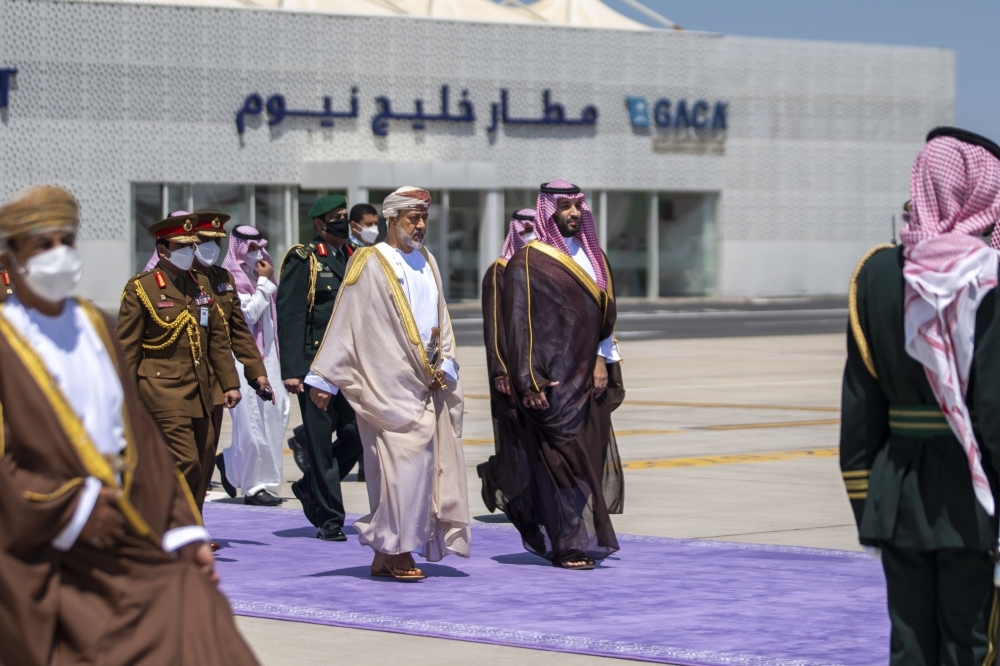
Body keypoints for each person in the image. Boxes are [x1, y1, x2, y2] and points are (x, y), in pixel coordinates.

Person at [0, 185, 258, 665]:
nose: (58, 254)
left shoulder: (93, 325)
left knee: (207, 632)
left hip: (123, 526)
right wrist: (75, 509)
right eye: (42, 245)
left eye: (65, 241)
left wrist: (183, 530)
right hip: (39, 536)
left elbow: (139, 435)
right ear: (11, 261)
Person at [841, 127, 1000, 665]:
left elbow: (860, 405)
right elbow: (993, 410)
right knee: (971, 644)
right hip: (973, 495)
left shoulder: (875, 275)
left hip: (895, 491)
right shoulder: (989, 276)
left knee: (909, 644)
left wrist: (869, 502)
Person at [308, 185, 470, 580]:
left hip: (428, 382)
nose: (420, 225)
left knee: (418, 470)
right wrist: (324, 379)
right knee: (401, 469)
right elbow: (346, 319)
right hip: (387, 384)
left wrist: (448, 360)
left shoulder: (428, 260)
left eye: (424, 218)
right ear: (392, 219)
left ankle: (386, 551)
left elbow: (441, 315)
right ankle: (400, 551)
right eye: (413, 218)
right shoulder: (370, 260)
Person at [501, 180, 624, 570]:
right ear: (548, 210)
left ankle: (549, 520)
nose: (574, 213)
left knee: (588, 460)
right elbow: (517, 325)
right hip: (552, 380)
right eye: (565, 206)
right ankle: (567, 544)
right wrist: (528, 380)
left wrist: (603, 361)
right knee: (561, 463)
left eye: (577, 206)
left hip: (590, 378)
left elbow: (605, 317)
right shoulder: (528, 261)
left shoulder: (595, 257)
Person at [117, 212, 243, 511]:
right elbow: (126, 349)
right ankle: (159, 519)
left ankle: (186, 523)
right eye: (182, 247)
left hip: (200, 389)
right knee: (185, 460)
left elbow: (217, 339)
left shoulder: (200, 285)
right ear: (163, 251)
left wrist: (230, 383)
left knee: (203, 459)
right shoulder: (142, 288)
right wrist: (124, 400)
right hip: (161, 389)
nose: (190, 252)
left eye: (191, 245)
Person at [277, 194, 363, 541]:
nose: (343, 222)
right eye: (336, 217)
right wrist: (292, 370)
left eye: (345, 215)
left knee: (356, 435)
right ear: (318, 224)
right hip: (316, 368)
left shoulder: (354, 256)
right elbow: (291, 315)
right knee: (321, 444)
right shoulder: (305, 259)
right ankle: (330, 518)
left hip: (351, 366)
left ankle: (311, 485)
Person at [185, 212, 275, 506]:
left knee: (204, 452)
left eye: (216, 242)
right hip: (176, 382)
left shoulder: (222, 280)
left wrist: (256, 371)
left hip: (216, 379)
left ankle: (194, 519)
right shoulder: (173, 281)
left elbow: (237, 330)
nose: (211, 248)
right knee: (182, 456)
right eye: (205, 241)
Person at [216, 226, 291, 506]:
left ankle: (232, 463)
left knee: (276, 415)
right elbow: (248, 314)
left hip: (269, 357)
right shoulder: (230, 279)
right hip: (242, 359)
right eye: (251, 249)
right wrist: (263, 283)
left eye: (260, 247)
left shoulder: (261, 277)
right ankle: (254, 486)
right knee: (250, 424)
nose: (258, 253)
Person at [477, 209, 536, 516]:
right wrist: (500, 369)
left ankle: (521, 489)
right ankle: (504, 482)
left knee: (532, 436)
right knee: (515, 435)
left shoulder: (535, 269)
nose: (531, 235)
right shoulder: (499, 271)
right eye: (525, 230)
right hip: (509, 370)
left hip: (536, 369)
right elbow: (494, 325)